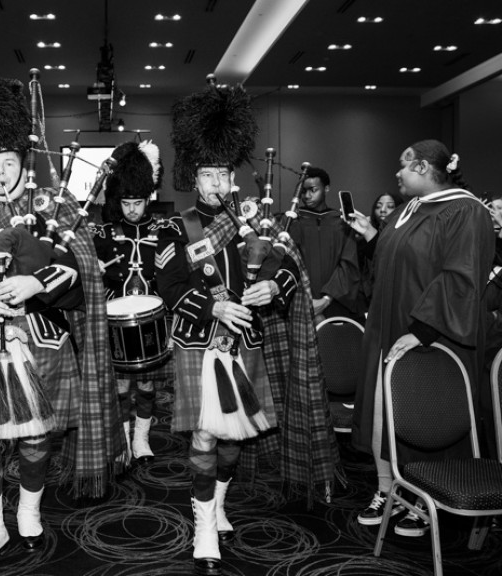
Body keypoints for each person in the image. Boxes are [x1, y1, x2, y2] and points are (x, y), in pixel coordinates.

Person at [0, 78, 123, 576]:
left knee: (38, 437)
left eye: (8, 163)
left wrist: (35, 284)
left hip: (41, 335)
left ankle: (30, 514)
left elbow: (76, 268)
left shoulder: (52, 207)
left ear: (23, 162)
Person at [157, 82, 303, 576]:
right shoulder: (177, 227)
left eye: (223, 172)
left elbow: (288, 268)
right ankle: (202, 524)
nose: (217, 182)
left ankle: (218, 504)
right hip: (199, 342)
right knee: (202, 437)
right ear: (193, 180)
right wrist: (211, 309)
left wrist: (273, 290)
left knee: (234, 439)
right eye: (207, 174)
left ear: (232, 175)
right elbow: (168, 284)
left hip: (246, 342)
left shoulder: (255, 220)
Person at [347, 140, 494, 537]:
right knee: (384, 413)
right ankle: (389, 491)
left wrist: (423, 331)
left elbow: (459, 277)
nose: (398, 173)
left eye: (404, 165)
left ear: (426, 167)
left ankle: (424, 500)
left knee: (424, 416)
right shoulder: (407, 210)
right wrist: (375, 237)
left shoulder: (464, 211)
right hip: (388, 326)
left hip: (430, 335)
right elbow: (405, 260)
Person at [93, 140, 168, 463]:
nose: (133, 209)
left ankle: (142, 439)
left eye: (138, 202)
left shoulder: (163, 229)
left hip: (152, 318)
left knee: (149, 385)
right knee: (121, 385)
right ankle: (123, 439)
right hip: (116, 319)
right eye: (126, 202)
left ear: (148, 197)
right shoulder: (104, 233)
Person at [289, 167, 362, 322]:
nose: (307, 196)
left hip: (335, 302)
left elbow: (349, 264)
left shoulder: (341, 222)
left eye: (313, 190)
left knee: (333, 344)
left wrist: (326, 299)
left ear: (326, 188)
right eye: (303, 191)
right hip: (300, 302)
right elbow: (288, 264)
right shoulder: (293, 221)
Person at [358, 193, 403, 307]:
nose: (383, 210)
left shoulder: (403, 237)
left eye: (390, 206)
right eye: (378, 207)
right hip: (367, 298)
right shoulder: (362, 237)